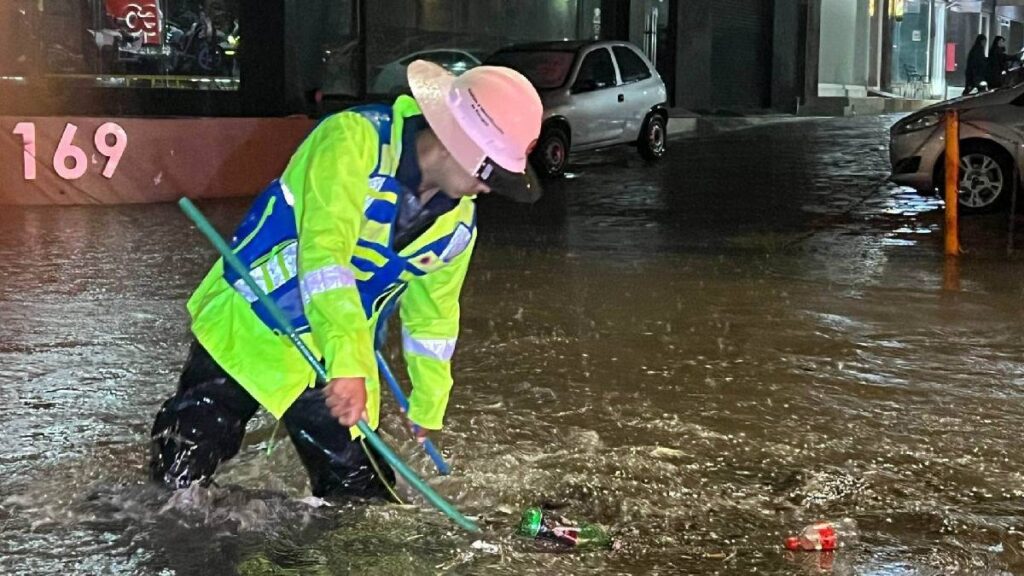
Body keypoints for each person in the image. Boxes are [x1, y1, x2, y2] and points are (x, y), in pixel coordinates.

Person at [149, 61, 543, 499]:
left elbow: (434, 320)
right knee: (182, 469)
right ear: (456, 143)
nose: (488, 189)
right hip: (250, 325)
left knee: (361, 496)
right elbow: (324, 256)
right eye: (488, 174)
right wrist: (349, 365)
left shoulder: (458, 228)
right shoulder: (351, 141)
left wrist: (429, 403)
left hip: (332, 357)